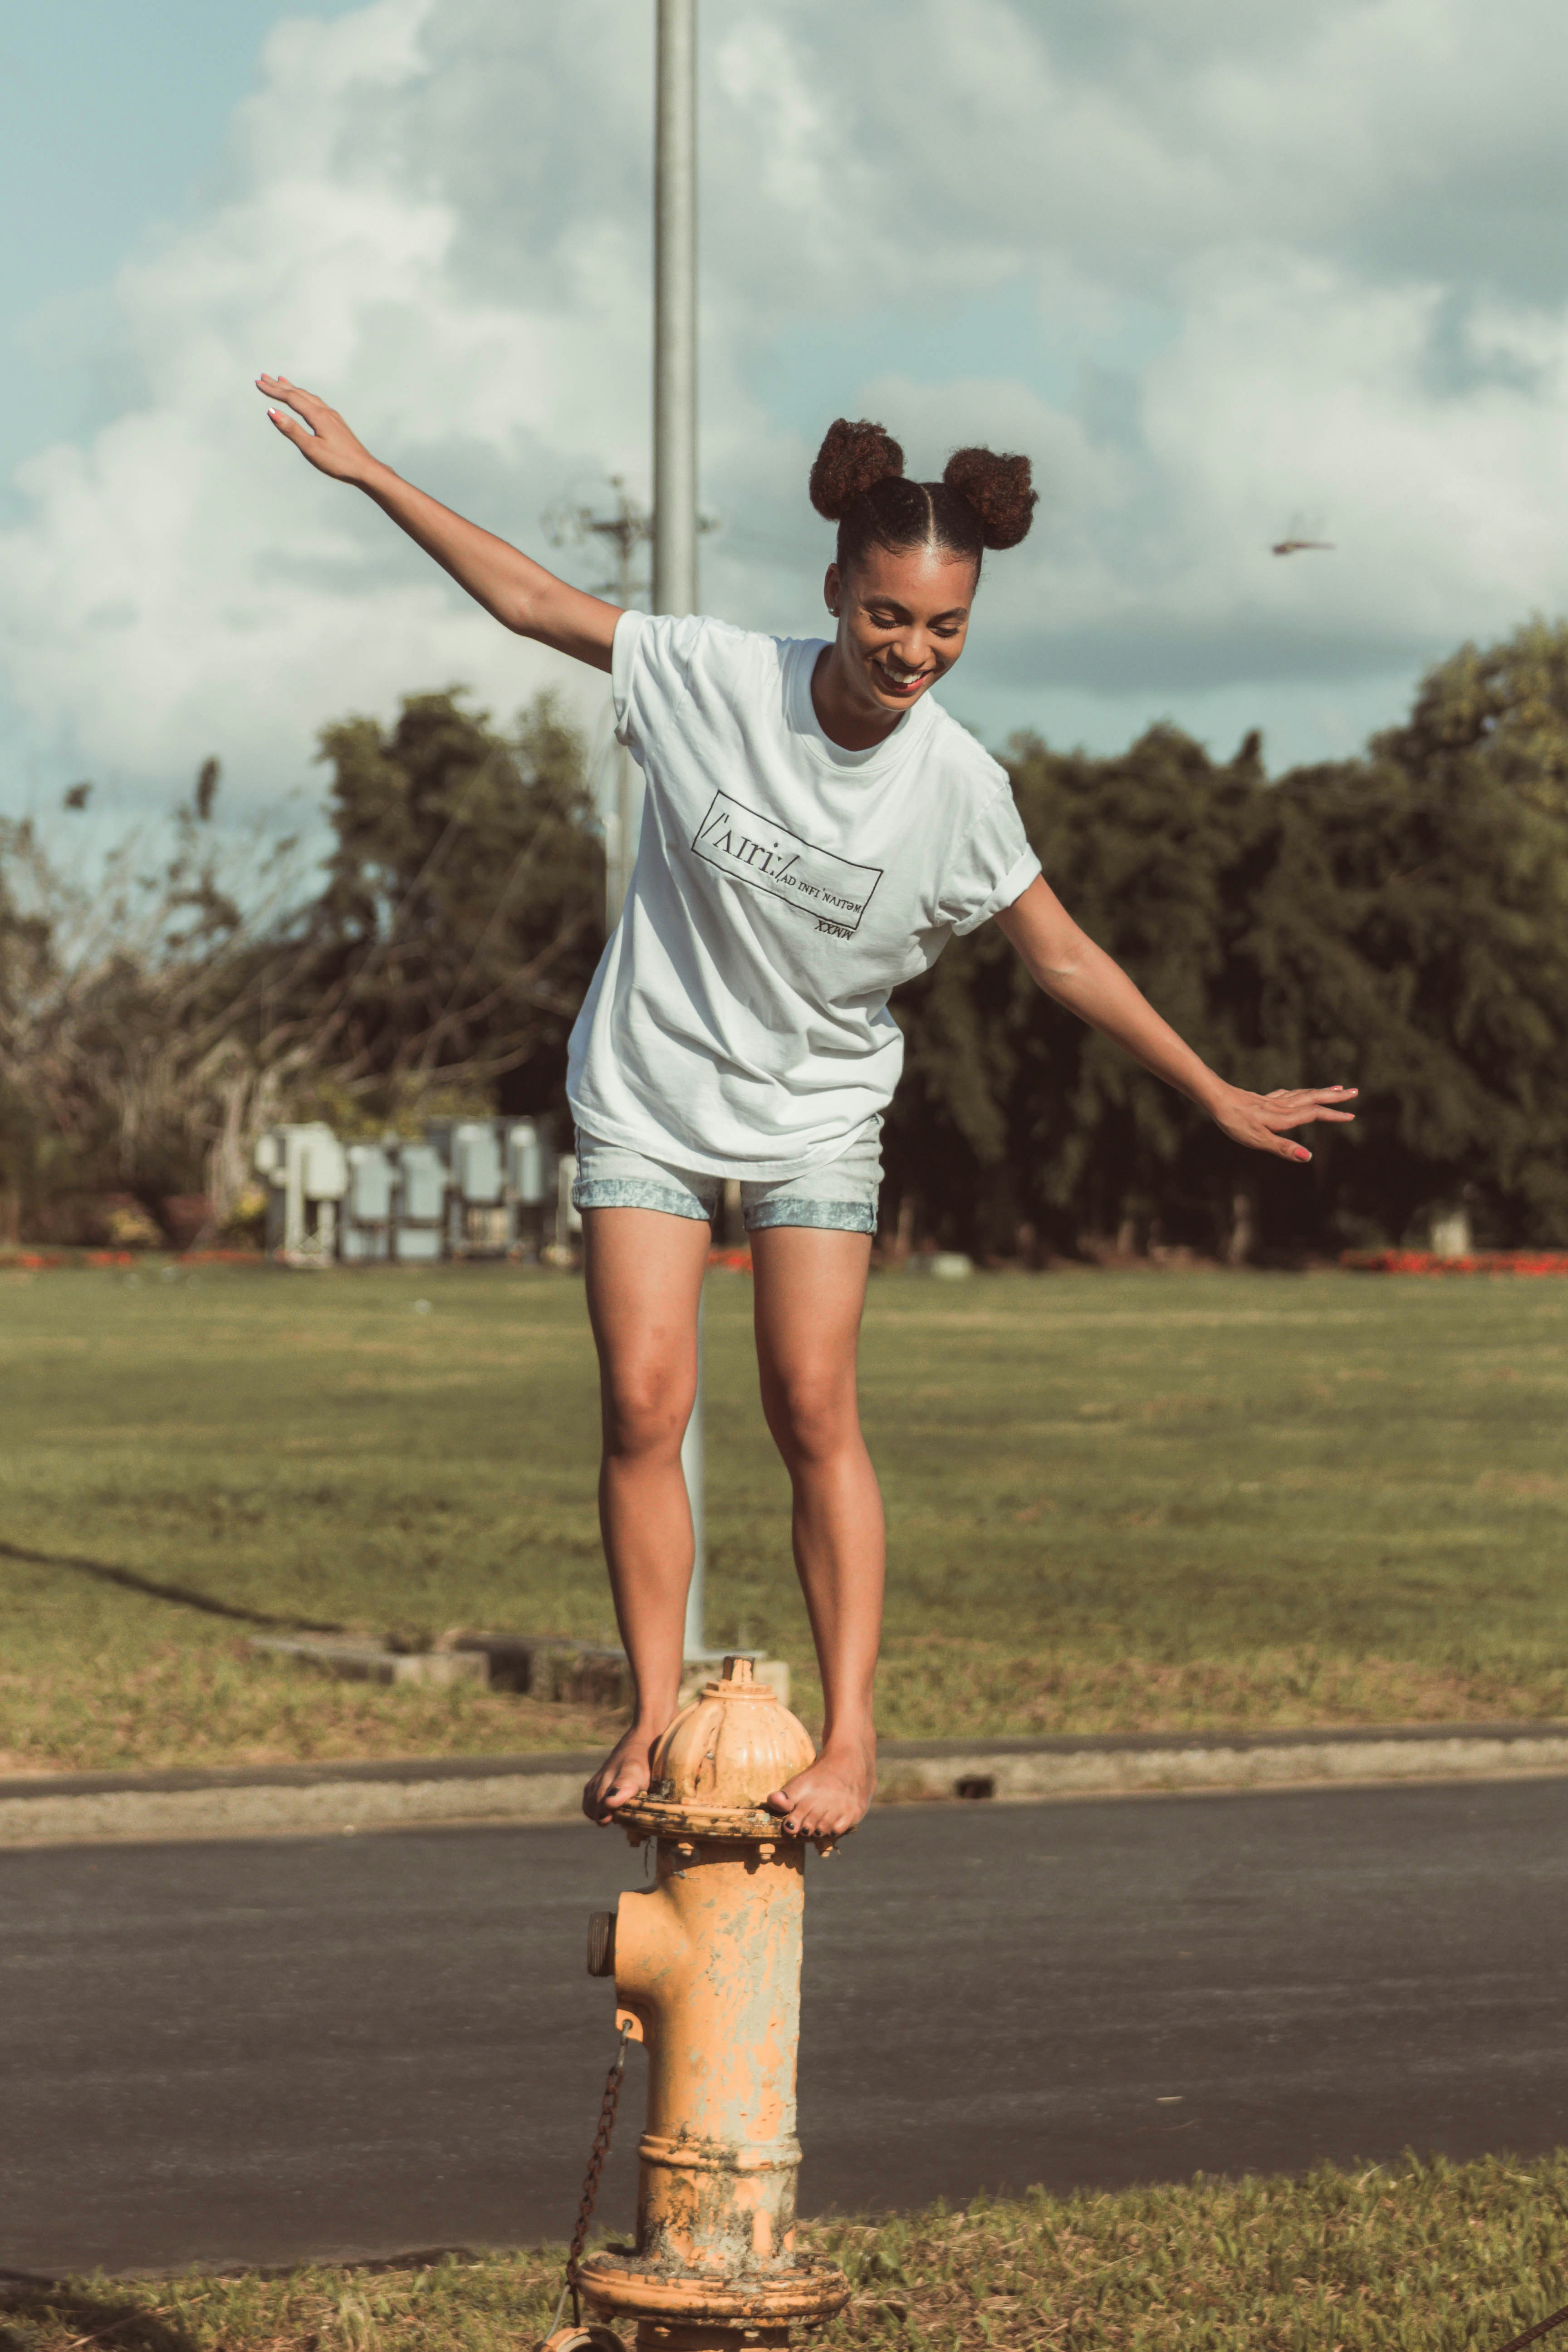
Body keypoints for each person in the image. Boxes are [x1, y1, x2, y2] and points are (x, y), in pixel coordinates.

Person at [258, 380, 1357, 1841]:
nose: (915, 651)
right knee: (645, 1403)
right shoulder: (715, 677)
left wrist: (1210, 1087)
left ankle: (852, 1738)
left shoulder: (960, 789)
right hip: (649, 1083)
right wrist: (374, 474)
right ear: (838, 589)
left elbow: (1065, 955)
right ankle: (649, 1713)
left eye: (947, 628)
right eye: (890, 616)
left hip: (819, 1111)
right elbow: (532, 603)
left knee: (811, 1404)